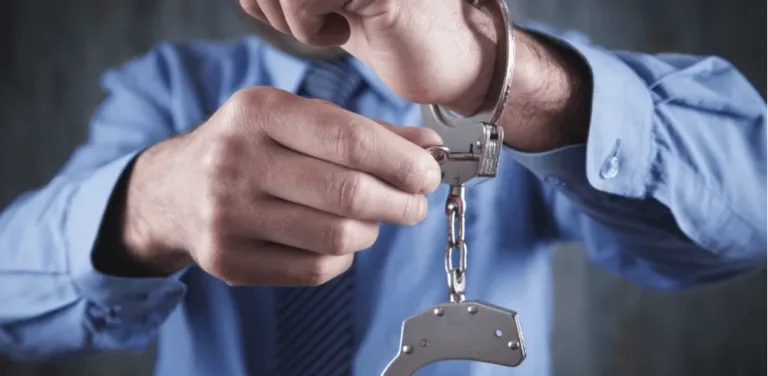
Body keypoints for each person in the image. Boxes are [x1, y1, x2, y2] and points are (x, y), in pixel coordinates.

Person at [0, 0, 765, 375]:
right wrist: (152, 202)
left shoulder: (530, 82)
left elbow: (748, 219)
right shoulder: (168, 91)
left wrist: (493, 76)